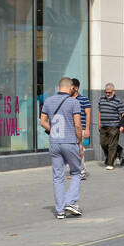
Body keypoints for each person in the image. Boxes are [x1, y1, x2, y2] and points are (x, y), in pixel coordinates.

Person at [40, 77, 85, 219]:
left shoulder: (48, 101)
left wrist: (53, 130)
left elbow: (42, 122)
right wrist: (80, 143)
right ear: (71, 87)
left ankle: (60, 211)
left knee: (58, 177)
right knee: (76, 172)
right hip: (70, 142)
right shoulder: (73, 102)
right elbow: (78, 125)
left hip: (54, 143)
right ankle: (70, 202)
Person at [97, 83, 124, 169]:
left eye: (109, 92)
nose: (108, 94)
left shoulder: (118, 101)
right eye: (106, 92)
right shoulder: (101, 99)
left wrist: (122, 126)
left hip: (114, 125)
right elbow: (99, 112)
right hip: (103, 125)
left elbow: (122, 114)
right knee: (103, 143)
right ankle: (119, 151)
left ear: (114, 91)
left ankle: (110, 163)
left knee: (112, 145)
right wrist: (99, 123)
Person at [71, 78, 91, 179]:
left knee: (80, 149)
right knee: (71, 151)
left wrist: (87, 129)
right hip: (69, 129)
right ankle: (74, 171)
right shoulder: (67, 99)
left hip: (81, 128)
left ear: (76, 88)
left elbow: (88, 114)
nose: (70, 88)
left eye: (72, 86)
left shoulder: (84, 99)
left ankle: (82, 171)